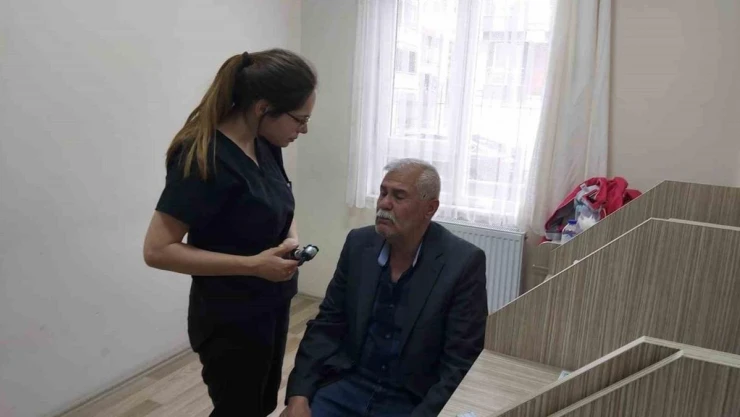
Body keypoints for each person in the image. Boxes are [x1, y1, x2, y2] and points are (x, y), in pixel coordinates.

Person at [143, 48, 317, 416]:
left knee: (261, 404)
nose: (303, 130)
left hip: (272, 303)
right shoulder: (202, 158)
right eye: (300, 119)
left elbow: (280, 202)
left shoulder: (266, 143)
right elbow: (157, 250)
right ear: (263, 108)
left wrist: (291, 238)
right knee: (238, 409)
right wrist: (253, 265)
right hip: (230, 318)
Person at [281, 159, 488, 417]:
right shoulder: (359, 244)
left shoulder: (462, 263)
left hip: (410, 399)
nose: (384, 203)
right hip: (347, 384)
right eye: (383, 193)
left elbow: (460, 361)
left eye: (399, 196)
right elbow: (327, 324)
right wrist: (298, 396)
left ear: (430, 208)